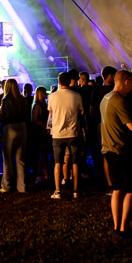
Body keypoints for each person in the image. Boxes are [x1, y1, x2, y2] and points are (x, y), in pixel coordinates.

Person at [101, 70, 132, 234]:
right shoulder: (119, 101)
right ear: (126, 81)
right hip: (122, 150)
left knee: (118, 188)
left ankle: (117, 225)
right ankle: (125, 226)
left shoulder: (106, 98)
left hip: (109, 149)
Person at [49, 71, 84, 199]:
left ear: (59, 81)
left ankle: (58, 191)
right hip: (73, 132)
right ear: (69, 81)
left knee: (58, 162)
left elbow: (51, 112)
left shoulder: (52, 97)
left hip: (58, 134)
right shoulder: (76, 95)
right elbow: (81, 112)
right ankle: (76, 190)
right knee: (75, 162)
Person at [0, 79, 29, 193]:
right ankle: (22, 186)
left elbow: (6, 117)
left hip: (10, 128)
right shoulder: (22, 99)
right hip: (22, 127)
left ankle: (6, 185)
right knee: (20, 159)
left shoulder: (5, 99)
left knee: (7, 158)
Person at [30, 86, 51, 183]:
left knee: (44, 154)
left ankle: (42, 174)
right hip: (40, 132)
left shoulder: (42, 105)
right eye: (45, 92)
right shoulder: (37, 105)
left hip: (43, 131)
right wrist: (45, 126)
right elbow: (34, 120)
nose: (47, 94)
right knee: (42, 154)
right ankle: (42, 174)